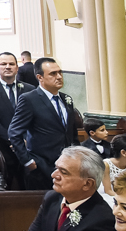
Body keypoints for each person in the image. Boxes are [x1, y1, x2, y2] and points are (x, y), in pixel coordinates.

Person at [8, 57, 80, 190]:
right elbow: (14, 132)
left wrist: (76, 155)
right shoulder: (30, 99)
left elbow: (71, 131)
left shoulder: (66, 99)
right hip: (42, 166)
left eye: (60, 72)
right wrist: (27, 161)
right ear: (40, 77)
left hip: (68, 164)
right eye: (53, 74)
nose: (58, 77)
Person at [0, 52, 35, 189]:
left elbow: (34, 118)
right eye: (3, 64)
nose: (7, 67)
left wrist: (25, 140)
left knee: (29, 187)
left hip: (27, 148)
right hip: (1, 147)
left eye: (11, 64)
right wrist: (14, 140)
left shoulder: (29, 89)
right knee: (4, 188)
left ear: (17, 68)